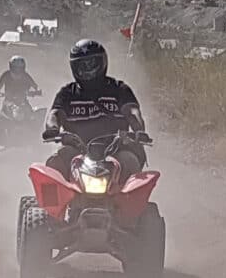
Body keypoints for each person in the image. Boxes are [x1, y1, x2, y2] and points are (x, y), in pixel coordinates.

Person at [43, 39, 150, 182]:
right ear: (74, 67)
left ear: (102, 62)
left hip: (116, 150)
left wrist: (138, 130)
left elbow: (132, 112)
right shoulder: (67, 93)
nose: (88, 70)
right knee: (55, 162)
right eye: (82, 65)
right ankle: (53, 204)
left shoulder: (119, 89)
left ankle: (132, 204)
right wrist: (52, 129)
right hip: (76, 150)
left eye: (92, 64)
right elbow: (54, 114)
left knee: (130, 161)